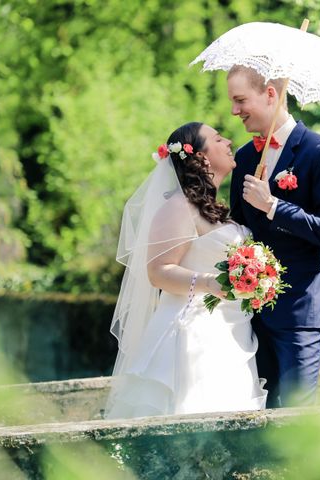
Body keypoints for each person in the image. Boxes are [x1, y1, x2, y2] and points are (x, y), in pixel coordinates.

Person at [105, 122, 266, 419]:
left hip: (231, 329)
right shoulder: (179, 206)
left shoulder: (215, 207)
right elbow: (158, 271)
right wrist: (209, 281)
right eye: (218, 138)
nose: (229, 140)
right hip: (191, 333)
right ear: (203, 158)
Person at [227, 65, 320, 408]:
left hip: (301, 312)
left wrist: (274, 206)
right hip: (250, 312)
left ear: (271, 94)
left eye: (240, 100)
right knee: (257, 412)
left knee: (297, 417)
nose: (234, 111)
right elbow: (237, 229)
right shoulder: (244, 157)